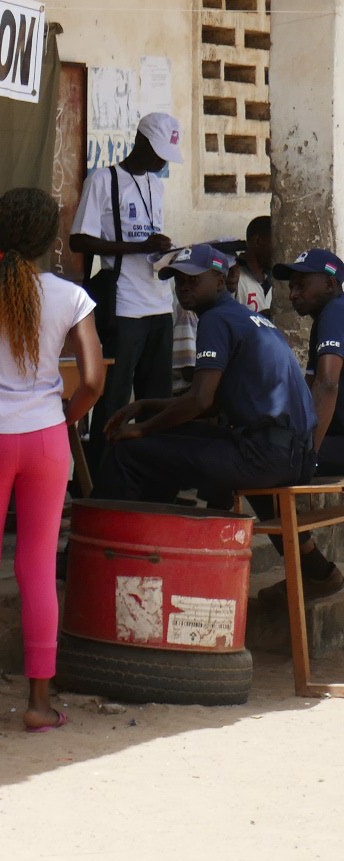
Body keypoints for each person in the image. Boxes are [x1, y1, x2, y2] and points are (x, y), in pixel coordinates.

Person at [0, 189, 106, 736]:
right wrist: (65, 415)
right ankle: (37, 703)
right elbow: (95, 378)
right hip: (46, 439)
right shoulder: (72, 298)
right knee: (36, 566)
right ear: (50, 240)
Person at [94, 243, 316, 526]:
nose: (184, 287)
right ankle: (153, 539)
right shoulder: (250, 318)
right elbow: (211, 402)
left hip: (262, 456)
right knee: (166, 435)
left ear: (220, 281)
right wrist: (146, 405)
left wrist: (141, 428)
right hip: (294, 454)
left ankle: (101, 546)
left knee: (128, 451)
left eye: (194, 279)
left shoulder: (215, 319)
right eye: (179, 280)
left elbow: (200, 401)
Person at [70, 112, 184, 457]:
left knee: (156, 399)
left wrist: (164, 251)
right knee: (114, 399)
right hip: (125, 306)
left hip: (160, 304)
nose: (162, 160)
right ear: (141, 141)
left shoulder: (156, 184)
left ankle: (149, 478)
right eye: (158, 151)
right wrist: (139, 247)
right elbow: (79, 240)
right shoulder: (104, 181)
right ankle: (105, 477)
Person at [268, 247, 344, 598]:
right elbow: (311, 389)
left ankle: (315, 573)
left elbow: (327, 384)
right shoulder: (326, 318)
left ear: (329, 283)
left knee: (262, 464)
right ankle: (312, 571)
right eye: (290, 285)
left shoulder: (335, 312)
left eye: (301, 284)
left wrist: (307, 453)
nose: (292, 293)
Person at [232, 215, 273, 315]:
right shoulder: (233, 278)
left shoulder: (274, 279)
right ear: (258, 241)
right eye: (275, 242)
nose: (281, 250)